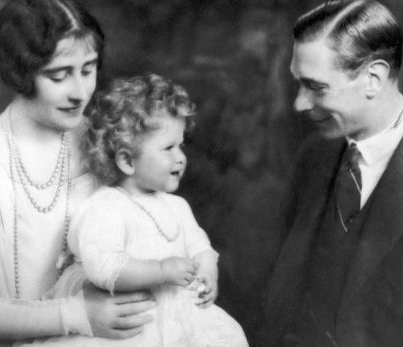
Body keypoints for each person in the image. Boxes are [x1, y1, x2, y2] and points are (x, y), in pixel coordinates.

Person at [0, 1, 156, 346]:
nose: (80, 92)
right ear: (20, 73)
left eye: (88, 69)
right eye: (59, 75)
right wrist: (76, 315)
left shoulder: (107, 144)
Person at [258, 1, 403, 346]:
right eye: (298, 84)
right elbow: (272, 295)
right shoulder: (314, 156)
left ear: (373, 79)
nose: (300, 104)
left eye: (316, 87)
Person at [31, 73, 249, 347]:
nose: (180, 157)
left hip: (179, 315)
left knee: (227, 337)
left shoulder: (177, 206)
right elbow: (103, 267)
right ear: (127, 160)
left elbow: (199, 246)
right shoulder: (107, 206)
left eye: (181, 145)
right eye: (168, 148)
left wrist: (207, 268)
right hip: (136, 322)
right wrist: (160, 270)